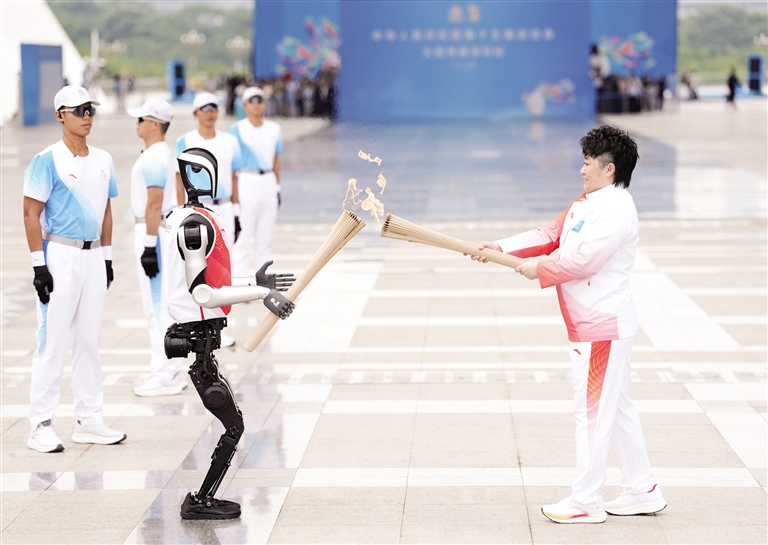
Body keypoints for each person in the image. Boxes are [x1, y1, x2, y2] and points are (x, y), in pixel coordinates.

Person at [472, 126, 665, 523]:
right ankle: (642, 489)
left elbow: (584, 262)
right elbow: (550, 233)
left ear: (609, 169)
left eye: (588, 162)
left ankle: (586, 501)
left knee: (592, 413)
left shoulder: (617, 210)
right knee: (616, 407)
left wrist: (539, 269)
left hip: (601, 328)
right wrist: (501, 248)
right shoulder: (586, 202)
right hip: (593, 327)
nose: (582, 169)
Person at [166, 147, 296, 519]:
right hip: (197, 334)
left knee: (233, 422)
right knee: (233, 424)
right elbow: (203, 293)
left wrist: (255, 284)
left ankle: (204, 497)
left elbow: (214, 280)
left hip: (203, 337)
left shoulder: (196, 218)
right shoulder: (194, 225)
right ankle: (200, 501)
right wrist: (259, 293)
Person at [22, 85, 126, 452]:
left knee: (88, 342)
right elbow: (30, 214)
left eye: (90, 110)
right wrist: (39, 266)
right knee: (52, 342)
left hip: (93, 256)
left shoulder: (103, 159)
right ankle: (41, 425)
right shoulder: (45, 160)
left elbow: (107, 211)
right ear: (59, 115)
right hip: (60, 256)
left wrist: (107, 257)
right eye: (78, 110)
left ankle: (89, 419)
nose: (86, 116)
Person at [174, 92, 244, 347]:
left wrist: (236, 212)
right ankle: (199, 324)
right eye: (204, 108)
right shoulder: (184, 141)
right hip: (198, 210)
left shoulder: (230, 141)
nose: (210, 113)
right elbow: (178, 179)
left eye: (213, 108)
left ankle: (221, 328)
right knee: (197, 268)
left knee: (222, 270)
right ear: (195, 113)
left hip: (223, 208)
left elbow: (234, 178)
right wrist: (181, 212)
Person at [127, 98, 186, 396]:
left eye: (140, 119)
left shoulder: (154, 157)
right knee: (162, 304)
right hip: (160, 230)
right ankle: (168, 369)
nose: (136, 124)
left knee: (157, 306)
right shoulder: (164, 154)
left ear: (153, 124)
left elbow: (154, 203)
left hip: (154, 233)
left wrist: (149, 245)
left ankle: (166, 374)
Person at [229, 87, 284, 277]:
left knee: (265, 237)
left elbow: (276, 160)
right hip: (246, 179)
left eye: (260, 100)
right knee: (243, 236)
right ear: (244, 105)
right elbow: (231, 165)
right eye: (252, 101)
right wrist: (234, 196)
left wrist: (277, 187)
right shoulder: (237, 129)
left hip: (268, 180)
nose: (256, 105)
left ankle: (263, 281)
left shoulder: (274, 129)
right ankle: (241, 280)